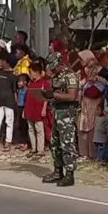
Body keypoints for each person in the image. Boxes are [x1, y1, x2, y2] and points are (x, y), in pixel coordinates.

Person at [41, 52, 80, 187]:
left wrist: (54, 95)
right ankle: (58, 171)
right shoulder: (56, 77)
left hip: (67, 114)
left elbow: (72, 96)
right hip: (57, 112)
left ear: (60, 64)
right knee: (55, 143)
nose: (52, 70)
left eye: (53, 67)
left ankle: (69, 174)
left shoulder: (70, 76)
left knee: (67, 144)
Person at [25, 62, 49, 158]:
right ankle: (33, 148)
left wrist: (44, 109)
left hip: (38, 110)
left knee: (39, 130)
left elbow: (47, 98)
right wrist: (24, 110)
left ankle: (40, 149)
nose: (30, 74)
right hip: (29, 110)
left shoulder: (44, 83)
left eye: (30, 72)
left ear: (36, 72)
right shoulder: (31, 83)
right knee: (31, 129)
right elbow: (27, 98)